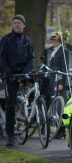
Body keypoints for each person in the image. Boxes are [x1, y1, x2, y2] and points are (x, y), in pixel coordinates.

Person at [0, 14, 34, 146]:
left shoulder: (27, 40)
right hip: (10, 76)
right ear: (12, 25)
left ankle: (31, 118)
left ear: (23, 25)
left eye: (19, 23)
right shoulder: (6, 40)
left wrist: (26, 73)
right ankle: (10, 135)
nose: (17, 25)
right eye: (14, 23)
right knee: (10, 105)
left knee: (38, 89)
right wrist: (7, 73)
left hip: (24, 75)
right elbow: (1, 59)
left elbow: (31, 58)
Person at [48, 31, 70, 101]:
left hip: (59, 81)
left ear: (59, 41)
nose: (53, 42)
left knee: (61, 102)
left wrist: (61, 83)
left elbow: (64, 68)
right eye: (52, 40)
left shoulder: (64, 51)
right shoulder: (55, 51)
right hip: (53, 80)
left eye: (55, 40)